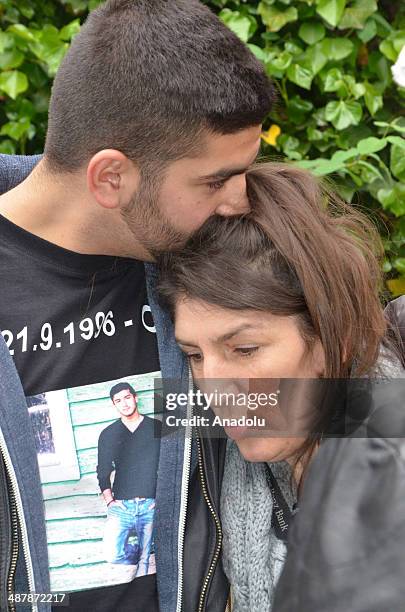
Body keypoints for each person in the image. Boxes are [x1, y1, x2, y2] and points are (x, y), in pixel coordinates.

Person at [0, 1, 274, 611]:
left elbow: (323, 408)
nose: (240, 201)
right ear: (111, 178)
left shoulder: (205, 257)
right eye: (215, 180)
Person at [157, 162, 405, 611]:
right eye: (194, 355)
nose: (215, 389)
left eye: (245, 349)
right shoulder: (243, 460)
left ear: (334, 339)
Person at [97, 382, 160, 574]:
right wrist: (110, 502)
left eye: (126, 397)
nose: (124, 404)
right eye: (118, 401)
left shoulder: (157, 427)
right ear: (114, 405)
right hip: (122, 507)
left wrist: (161, 499)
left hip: (150, 504)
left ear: (135, 398)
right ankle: (144, 551)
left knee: (144, 567)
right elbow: (103, 471)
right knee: (112, 554)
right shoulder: (108, 434)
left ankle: (145, 555)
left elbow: (169, 465)